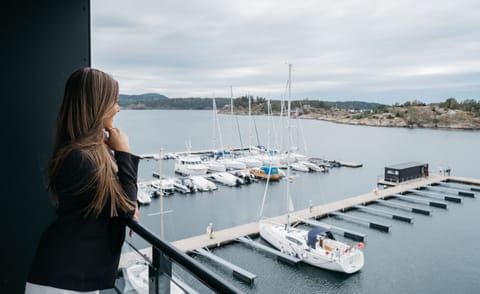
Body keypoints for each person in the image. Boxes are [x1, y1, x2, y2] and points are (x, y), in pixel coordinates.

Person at [25, 68, 140, 293]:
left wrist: (128, 204)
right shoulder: (79, 158)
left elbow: (120, 203)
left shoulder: (86, 153)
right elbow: (125, 207)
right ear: (97, 105)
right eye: (113, 101)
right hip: (62, 280)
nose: (118, 108)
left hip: (74, 275)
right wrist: (124, 152)